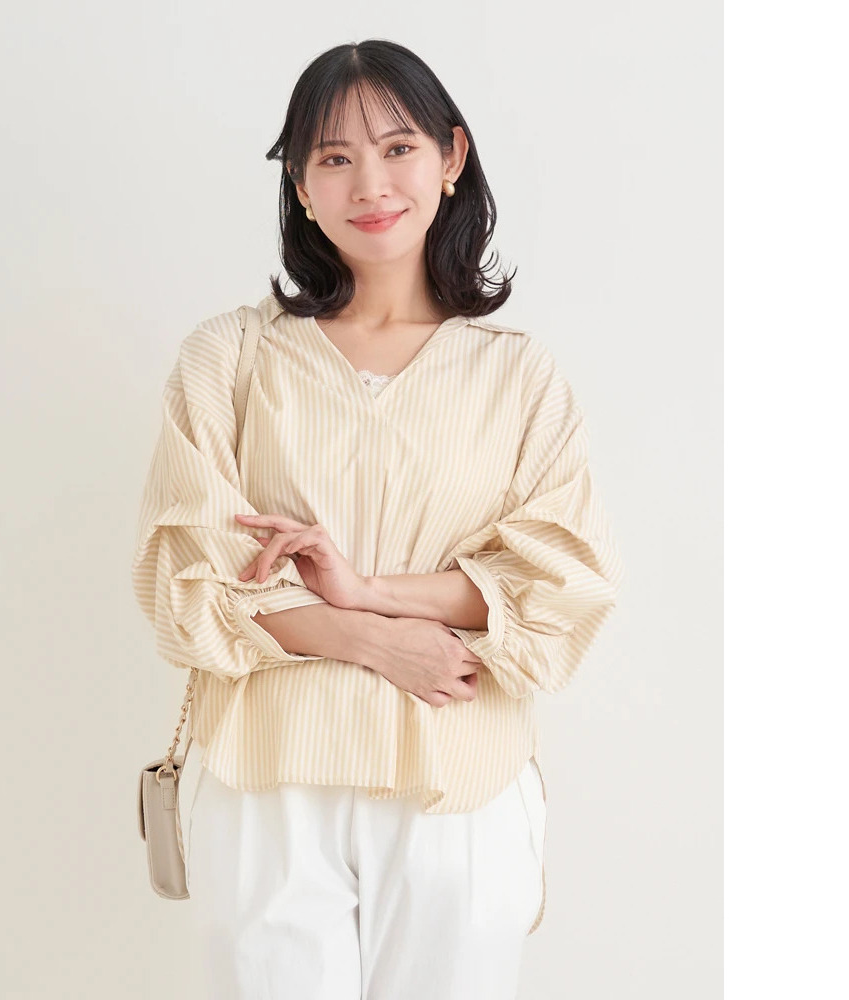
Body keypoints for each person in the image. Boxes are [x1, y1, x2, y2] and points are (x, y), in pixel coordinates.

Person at [131, 38, 624, 1000]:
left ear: (451, 157)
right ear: (300, 185)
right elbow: (186, 577)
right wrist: (371, 638)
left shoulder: (520, 376)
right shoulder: (228, 359)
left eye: (398, 148)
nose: (370, 183)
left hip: (462, 782)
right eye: (334, 157)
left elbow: (558, 587)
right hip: (268, 777)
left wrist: (366, 591)